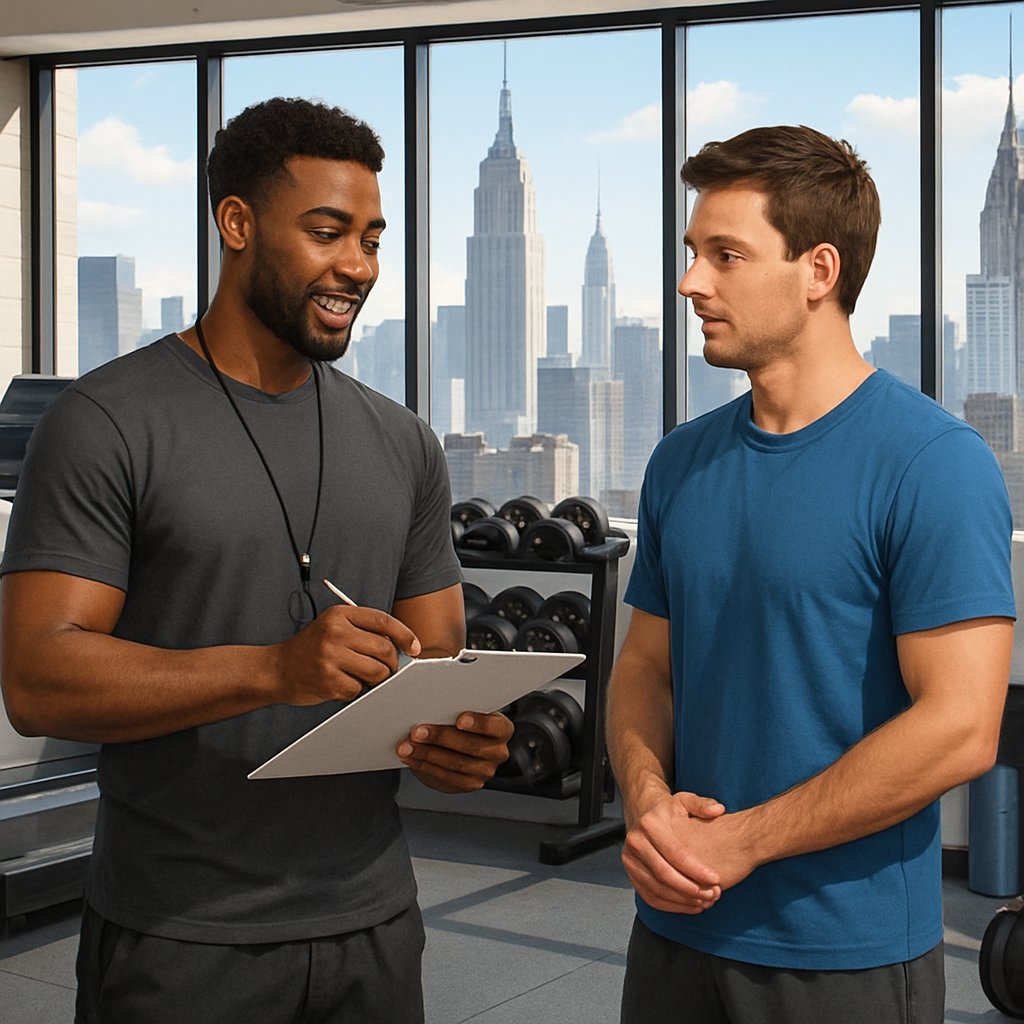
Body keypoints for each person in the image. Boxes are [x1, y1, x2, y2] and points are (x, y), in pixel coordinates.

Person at [0, 96, 513, 1024]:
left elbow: (437, 664)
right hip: (180, 936)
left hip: (373, 926)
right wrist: (275, 669)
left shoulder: (404, 443)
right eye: (327, 233)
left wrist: (456, 742)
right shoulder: (107, 422)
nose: (356, 266)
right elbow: (39, 679)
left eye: (370, 239)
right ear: (236, 223)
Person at [606, 124, 1016, 1024]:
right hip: (675, 934)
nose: (691, 283)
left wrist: (741, 844)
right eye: (692, 252)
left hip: (845, 957)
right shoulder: (681, 462)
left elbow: (961, 727)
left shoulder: (934, 464)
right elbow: (644, 669)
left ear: (818, 271)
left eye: (726, 255)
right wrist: (647, 806)